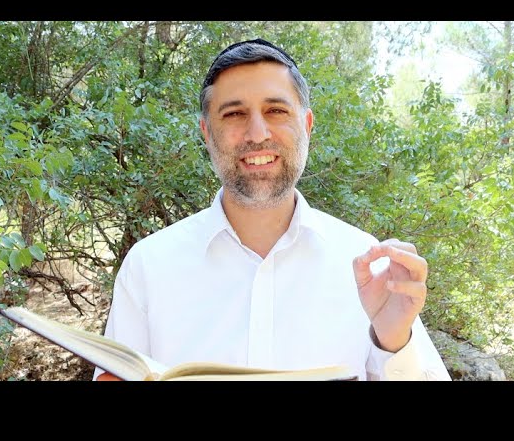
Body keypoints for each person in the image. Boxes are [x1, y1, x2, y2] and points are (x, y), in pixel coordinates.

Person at [94, 38, 451, 381]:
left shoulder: (367, 264)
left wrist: (393, 341)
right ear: (207, 133)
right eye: (234, 114)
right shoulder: (148, 267)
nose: (257, 133)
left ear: (306, 126)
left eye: (276, 111)